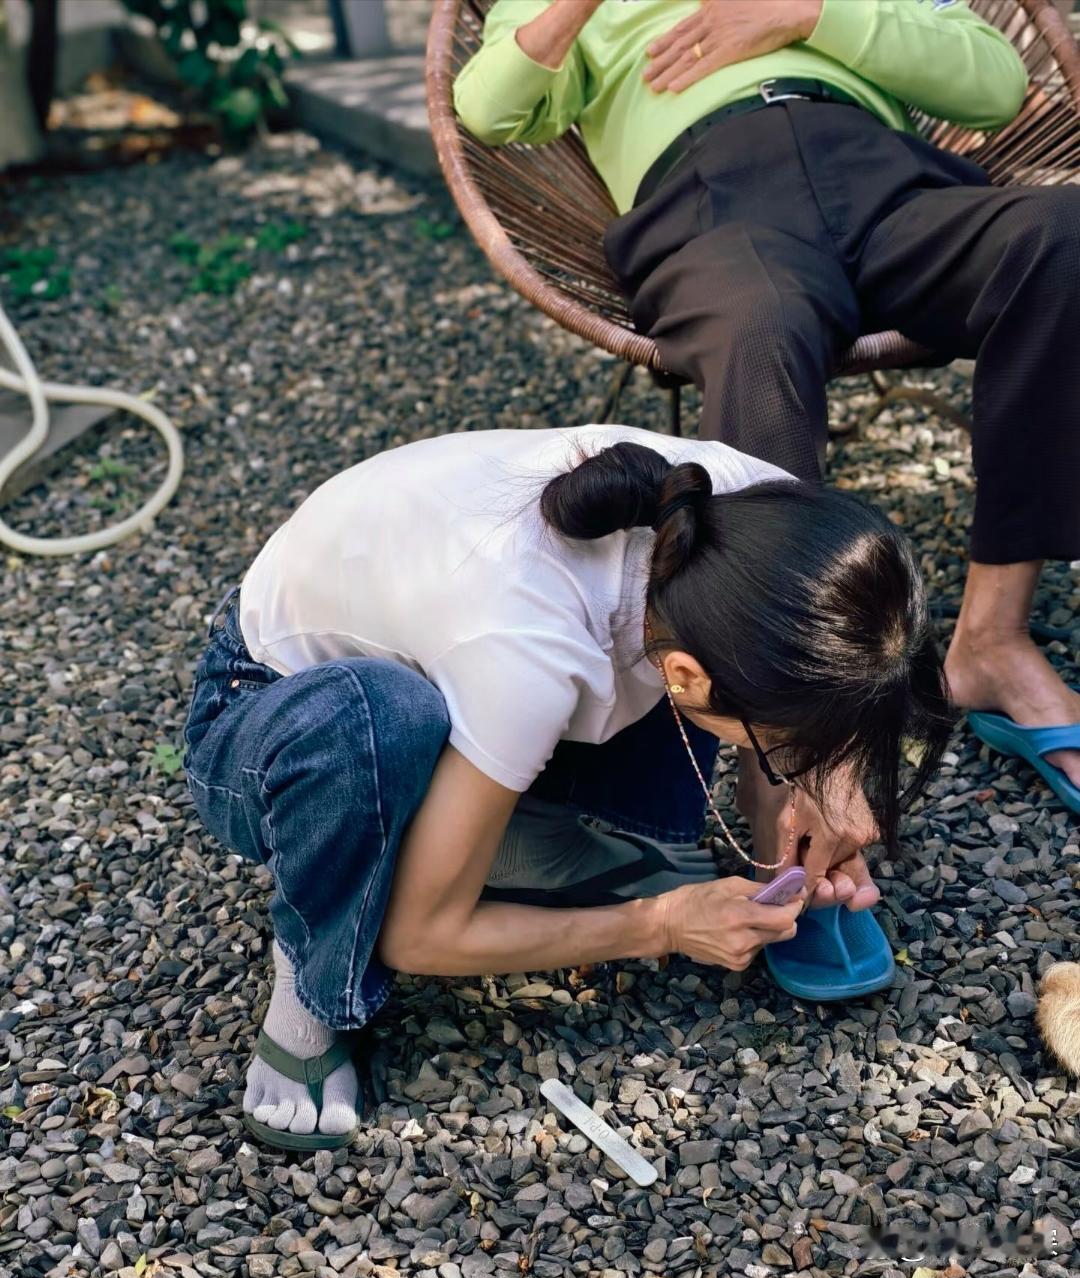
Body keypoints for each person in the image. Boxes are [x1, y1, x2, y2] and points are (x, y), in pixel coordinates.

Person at [184, 424, 953, 1146]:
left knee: (688, 643)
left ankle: (513, 838)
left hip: (471, 650)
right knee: (381, 722)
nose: (800, 760)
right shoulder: (526, 655)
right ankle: (313, 968)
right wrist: (663, 924)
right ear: (687, 678)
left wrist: (830, 780)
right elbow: (419, 938)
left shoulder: (762, 517)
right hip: (273, 709)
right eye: (790, 748)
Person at [453, 0, 1080, 819]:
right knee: (758, 330)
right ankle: (786, 754)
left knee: (1064, 239)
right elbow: (490, 108)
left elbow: (996, 84)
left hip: (886, 182)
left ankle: (993, 640)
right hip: (711, 198)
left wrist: (810, 18)